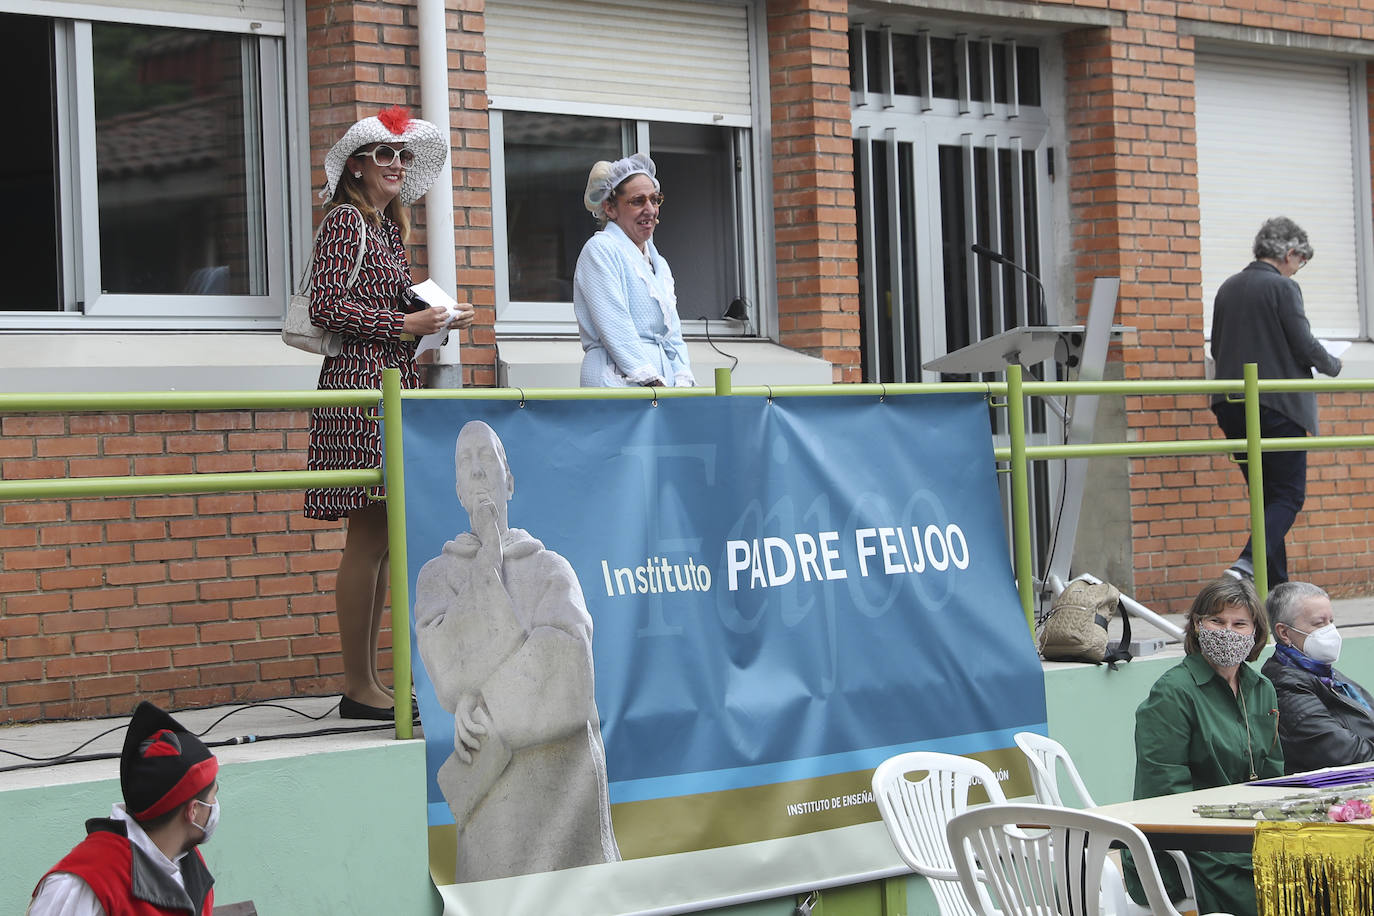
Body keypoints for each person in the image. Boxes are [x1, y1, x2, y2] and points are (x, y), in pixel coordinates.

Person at [303, 106, 475, 720]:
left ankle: (367, 683)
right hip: (358, 388)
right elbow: (325, 307)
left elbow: (390, 313)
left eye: (403, 155)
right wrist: (405, 324)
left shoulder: (382, 226)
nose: (397, 164)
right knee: (369, 536)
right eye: (384, 154)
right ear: (356, 166)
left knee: (378, 540)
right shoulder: (346, 220)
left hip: (384, 385)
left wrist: (438, 318)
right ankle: (358, 685)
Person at [413, 420, 620, 882]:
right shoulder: (436, 577)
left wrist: (485, 703)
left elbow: (570, 671)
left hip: (566, 802)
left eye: (487, 457)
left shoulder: (551, 568)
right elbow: (447, 669)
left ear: (509, 481)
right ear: (458, 491)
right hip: (495, 816)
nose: (477, 470)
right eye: (465, 462)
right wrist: (487, 561)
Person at [1126, 577, 1282, 916]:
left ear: (1256, 632)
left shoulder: (1262, 689)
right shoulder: (1173, 693)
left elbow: (1273, 778)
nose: (1227, 631)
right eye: (1216, 621)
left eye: (1239, 624)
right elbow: (1164, 795)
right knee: (1276, 897)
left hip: (1250, 839)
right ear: (1197, 626)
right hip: (1191, 847)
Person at [1210, 216, 1342, 584]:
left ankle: (1276, 590)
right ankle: (1246, 564)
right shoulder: (1282, 288)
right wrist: (1333, 364)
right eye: (1301, 261)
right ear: (1290, 253)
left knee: (1268, 502)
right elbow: (1304, 343)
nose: (1298, 269)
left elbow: (1218, 347)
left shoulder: (1227, 287)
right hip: (1277, 405)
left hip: (1229, 404)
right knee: (1288, 496)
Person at [29, 702, 220, 916]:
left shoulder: (188, 863)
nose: (215, 805)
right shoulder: (81, 886)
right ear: (193, 811)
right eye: (213, 796)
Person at [573, 153, 695, 388]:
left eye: (654, 199)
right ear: (610, 208)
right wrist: (652, 382)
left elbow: (672, 334)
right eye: (638, 201)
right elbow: (614, 325)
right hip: (616, 378)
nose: (650, 209)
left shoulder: (659, 263)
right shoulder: (600, 250)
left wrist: (682, 378)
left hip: (659, 387)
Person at [1262, 581, 1374, 774]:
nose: (1330, 631)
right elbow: (1343, 752)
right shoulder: (1285, 686)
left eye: (1331, 621)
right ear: (1284, 632)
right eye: (1319, 623)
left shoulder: (1325, 673)